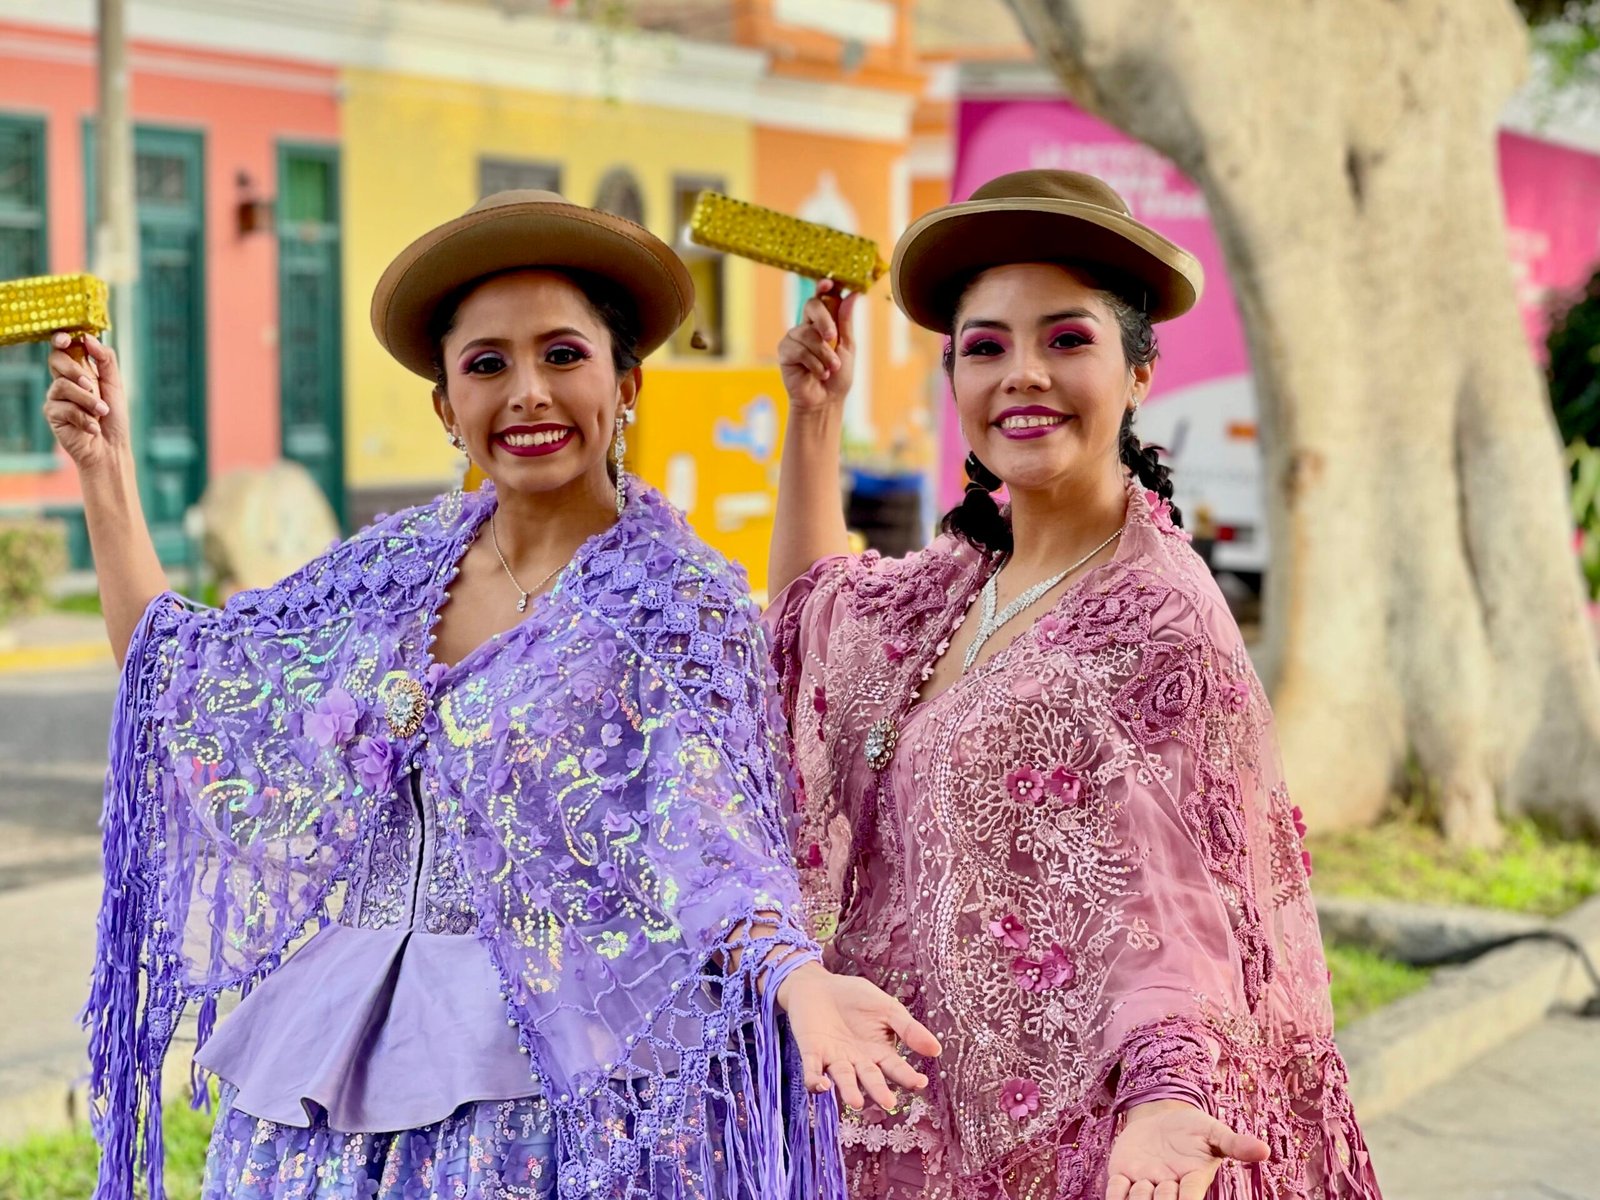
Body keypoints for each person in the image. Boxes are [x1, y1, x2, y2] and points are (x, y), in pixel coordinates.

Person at [48, 189, 939, 1200]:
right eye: (486, 365)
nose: (527, 394)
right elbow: (189, 683)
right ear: (444, 407)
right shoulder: (390, 571)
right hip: (338, 1082)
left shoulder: (680, 601)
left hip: (569, 1105)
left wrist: (797, 976)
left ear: (625, 382)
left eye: (563, 355)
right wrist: (105, 469)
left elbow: (721, 847)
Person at [764, 171, 1384, 1200]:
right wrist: (815, 418)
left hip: (1069, 1153)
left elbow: (1183, 908)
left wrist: (1172, 1096)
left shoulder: (1157, 620)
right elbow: (813, 639)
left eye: (1066, 340)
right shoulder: (957, 584)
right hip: (897, 1130)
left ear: (1138, 371)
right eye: (986, 346)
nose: (1022, 375)